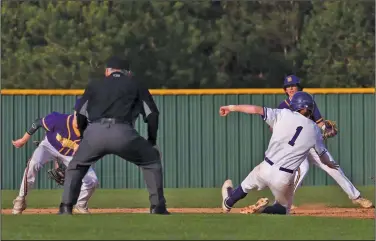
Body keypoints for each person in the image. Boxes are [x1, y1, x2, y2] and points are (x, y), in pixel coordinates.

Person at [58, 56, 169, 215]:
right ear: (128, 73)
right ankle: (158, 207)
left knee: (76, 165)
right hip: (123, 133)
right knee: (151, 161)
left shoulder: (94, 84)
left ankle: (65, 207)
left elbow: (80, 115)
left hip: (94, 132)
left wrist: (84, 137)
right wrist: (151, 141)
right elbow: (152, 115)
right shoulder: (136, 84)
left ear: (107, 71)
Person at [219, 91, 340, 215]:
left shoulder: (283, 114)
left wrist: (231, 108)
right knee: (283, 208)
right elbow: (323, 157)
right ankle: (263, 210)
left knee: (244, 187)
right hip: (284, 177)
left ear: (295, 105)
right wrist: (330, 164)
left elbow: (255, 109)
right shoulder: (315, 130)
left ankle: (229, 202)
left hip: (265, 167)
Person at [278, 75, 373, 209]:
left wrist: (326, 129)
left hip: (313, 143)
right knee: (303, 168)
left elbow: (319, 122)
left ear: (299, 87)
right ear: (285, 90)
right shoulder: (283, 107)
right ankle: (284, 202)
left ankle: (356, 197)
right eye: (288, 87)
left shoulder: (308, 101)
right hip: (296, 146)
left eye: (293, 85)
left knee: (333, 167)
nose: (291, 88)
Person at [11, 99, 99, 214]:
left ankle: (81, 204)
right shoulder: (59, 120)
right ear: (75, 113)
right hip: (49, 147)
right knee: (33, 164)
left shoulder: (90, 131)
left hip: (71, 156)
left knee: (92, 181)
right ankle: (21, 199)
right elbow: (38, 122)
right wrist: (23, 140)